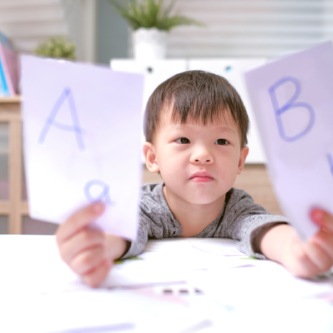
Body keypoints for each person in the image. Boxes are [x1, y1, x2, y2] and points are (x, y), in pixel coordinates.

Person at [56, 70, 333, 287]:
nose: (202, 155)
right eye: (183, 139)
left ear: (240, 160)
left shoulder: (237, 209)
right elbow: (124, 228)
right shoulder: (143, 207)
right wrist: (97, 247)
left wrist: (296, 250)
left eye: (221, 141)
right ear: (153, 158)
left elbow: (265, 229)